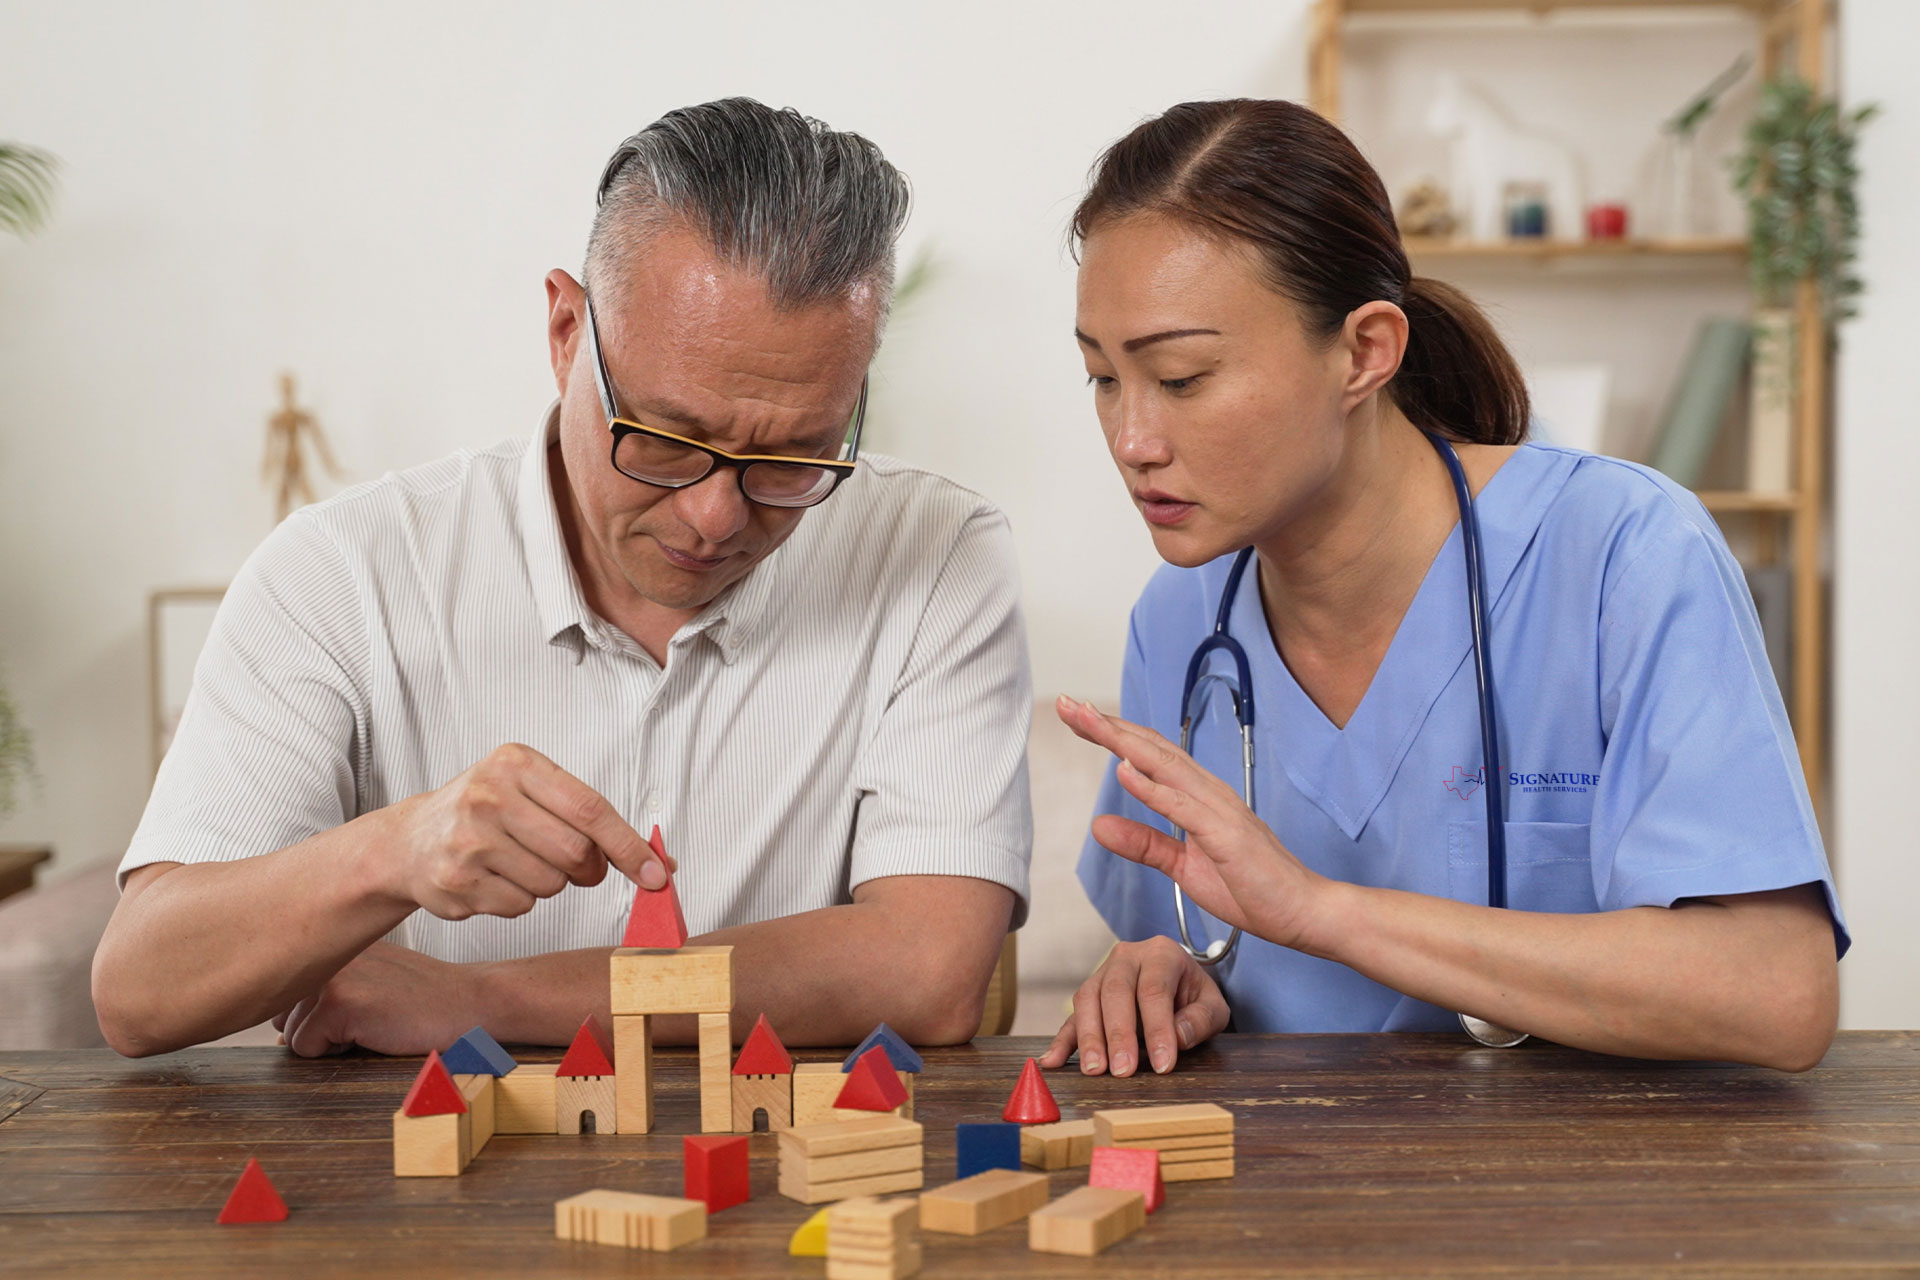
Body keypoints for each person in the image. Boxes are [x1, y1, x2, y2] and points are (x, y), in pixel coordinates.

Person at [94, 99, 1031, 1059]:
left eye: (796, 456)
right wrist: (391, 852)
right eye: (666, 439)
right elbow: (141, 992)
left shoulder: (937, 552)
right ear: (565, 330)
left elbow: (929, 971)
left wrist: (484, 998)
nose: (716, 516)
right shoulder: (343, 570)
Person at [1038, 99, 1844, 1079]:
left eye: (1182, 375)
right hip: (1276, 1197)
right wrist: (1160, 974)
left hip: (1590, 1206)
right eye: (1102, 378)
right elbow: (1186, 938)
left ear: (1365, 351)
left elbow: (1773, 992)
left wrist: (1324, 910)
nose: (1132, 440)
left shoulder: (1622, 555)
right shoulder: (1182, 623)